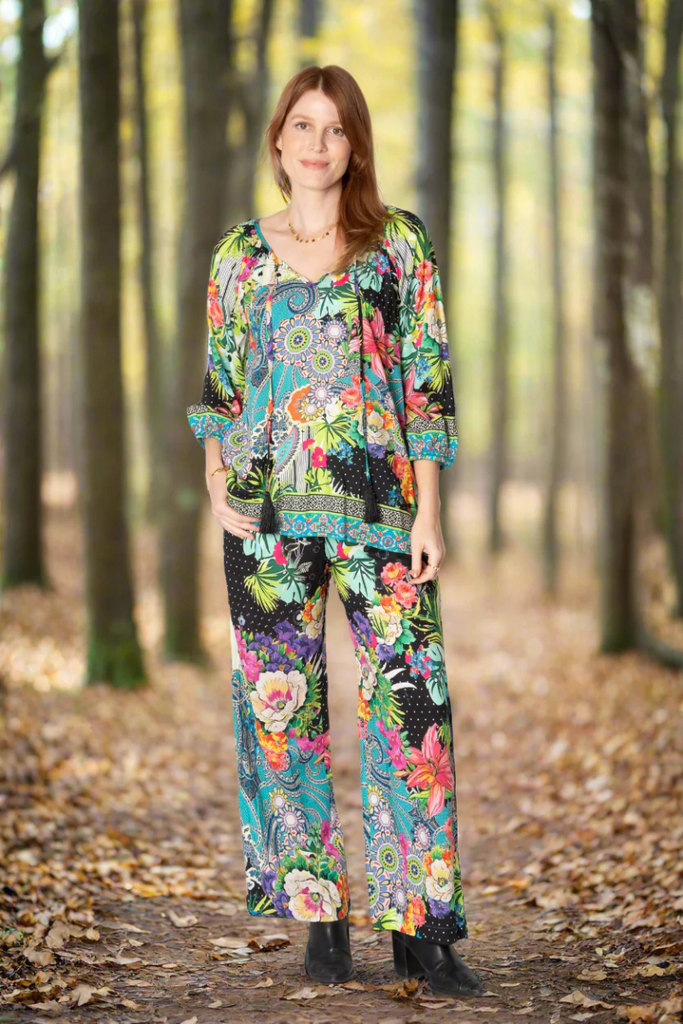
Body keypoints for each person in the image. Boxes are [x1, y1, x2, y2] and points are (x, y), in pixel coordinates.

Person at [186, 64, 483, 1000]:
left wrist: (429, 509)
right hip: (264, 521)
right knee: (282, 718)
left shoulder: (399, 243)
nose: (318, 144)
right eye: (303, 125)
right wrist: (214, 480)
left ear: (355, 145)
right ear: (277, 139)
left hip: (384, 513)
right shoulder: (238, 254)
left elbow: (426, 381)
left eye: (336, 128)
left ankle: (420, 928)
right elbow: (219, 386)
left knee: (412, 713)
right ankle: (320, 912)